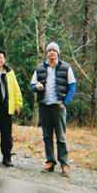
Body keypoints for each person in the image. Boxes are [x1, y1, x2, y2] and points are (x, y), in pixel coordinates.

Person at [30, 42, 76, 177]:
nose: (51, 53)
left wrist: (65, 102)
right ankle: (50, 162)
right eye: (49, 50)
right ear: (46, 53)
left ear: (58, 53)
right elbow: (32, 85)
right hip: (44, 106)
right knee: (47, 136)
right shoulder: (39, 68)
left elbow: (72, 86)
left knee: (61, 137)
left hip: (58, 106)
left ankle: (64, 164)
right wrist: (36, 87)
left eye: (54, 51)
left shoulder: (66, 67)